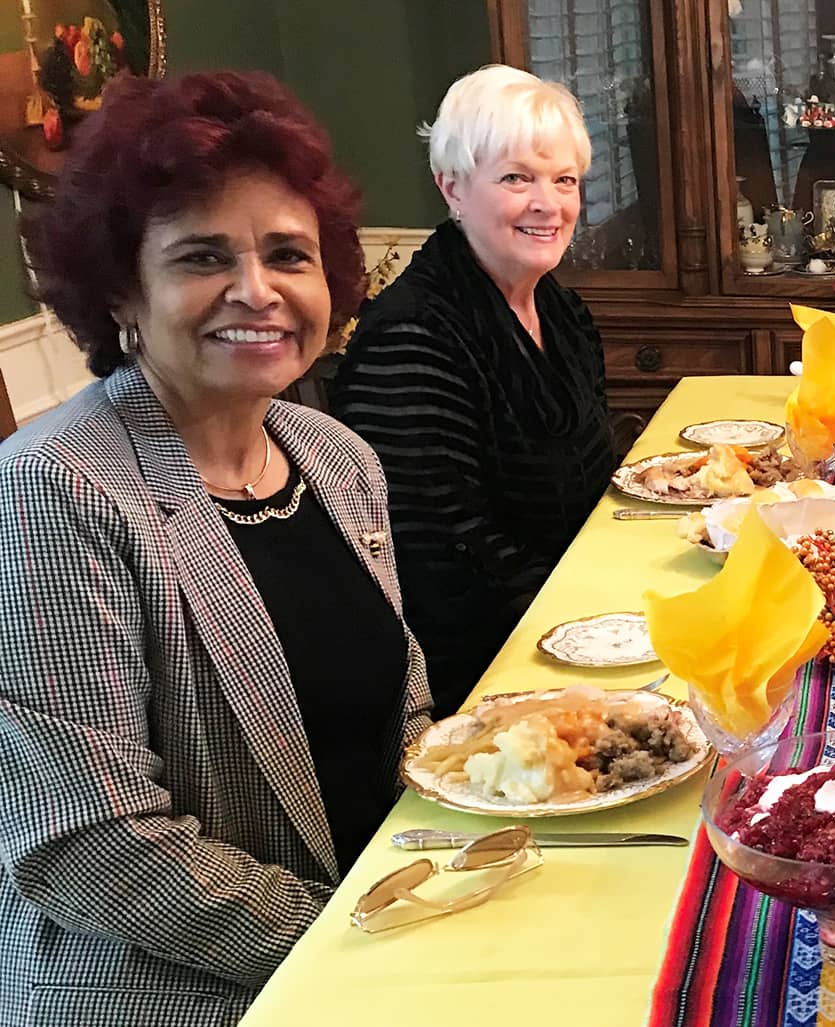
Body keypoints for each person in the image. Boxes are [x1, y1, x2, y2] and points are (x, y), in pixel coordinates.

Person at [0, 71, 431, 1026]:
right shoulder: (56, 490)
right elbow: (91, 842)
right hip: (180, 991)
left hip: (383, 934)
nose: (258, 290)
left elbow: (402, 713)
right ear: (121, 288)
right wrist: (353, 938)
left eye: (290, 254)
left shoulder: (336, 457)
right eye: (202, 256)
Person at [329, 65, 618, 714]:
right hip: (488, 676)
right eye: (517, 177)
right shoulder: (413, 334)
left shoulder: (564, 314)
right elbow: (442, 553)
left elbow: (596, 483)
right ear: (452, 187)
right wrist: (591, 626)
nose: (549, 203)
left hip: (579, 626)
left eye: (564, 180)